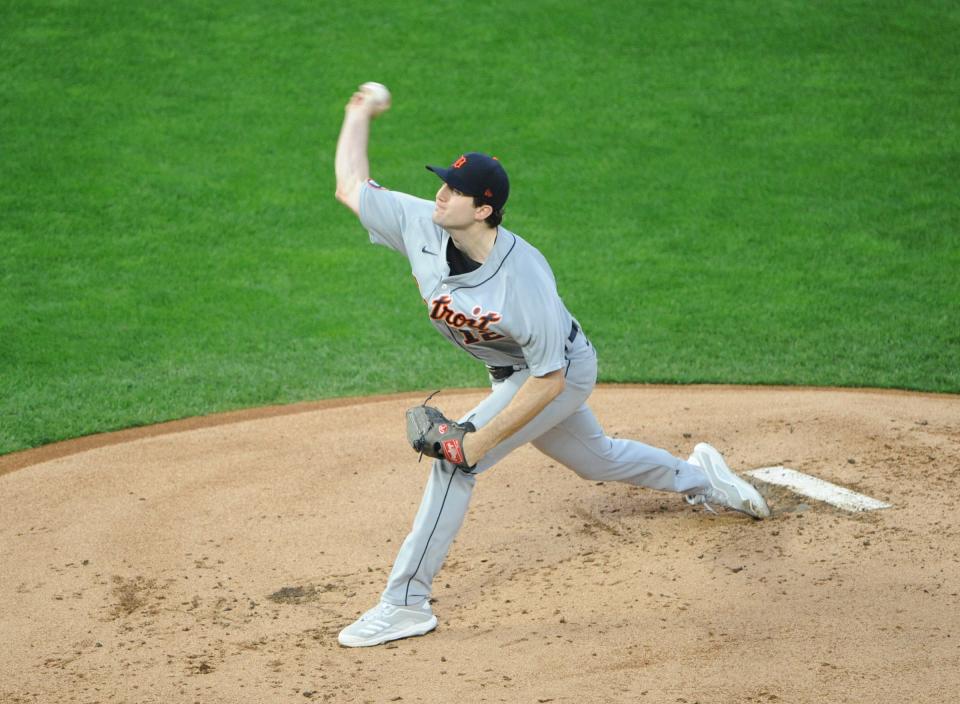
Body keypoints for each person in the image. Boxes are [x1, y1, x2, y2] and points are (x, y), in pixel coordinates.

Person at [332, 85, 770, 648]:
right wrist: (357, 112)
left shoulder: (524, 277)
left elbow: (550, 379)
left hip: (556, 371)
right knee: (597, 459)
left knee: (455, 464)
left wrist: (476, 441)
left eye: (455, 190)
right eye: (443, 182)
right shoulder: (421, 223)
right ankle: (701, 477)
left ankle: (405, 603)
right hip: (517, 374)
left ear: (484, 209)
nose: (440, 194)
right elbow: (350, 184)